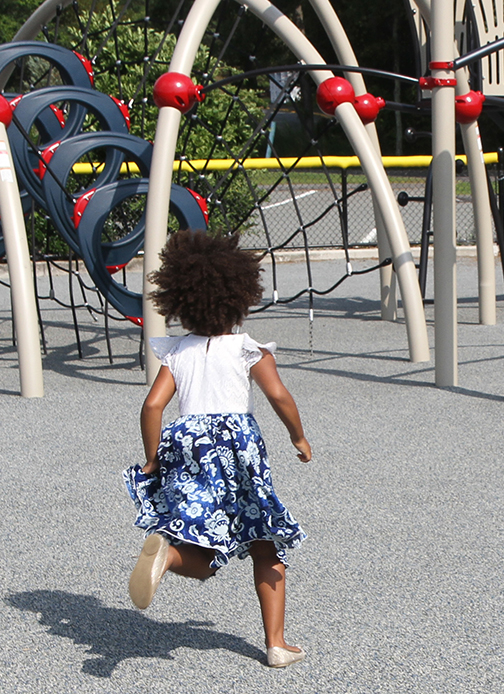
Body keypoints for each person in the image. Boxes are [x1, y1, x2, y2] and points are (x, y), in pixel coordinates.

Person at [123, 229, 311, 668]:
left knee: (205, 552)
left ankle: (169, 555)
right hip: (237, 450)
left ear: (182, 300)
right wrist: (297, 436)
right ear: (239, 297)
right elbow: (279, 396)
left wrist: (153, 458)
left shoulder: (179, 352)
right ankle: (277, 645)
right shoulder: (248, 349)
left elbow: (152, 405)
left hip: (190, 443)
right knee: (265, 539)